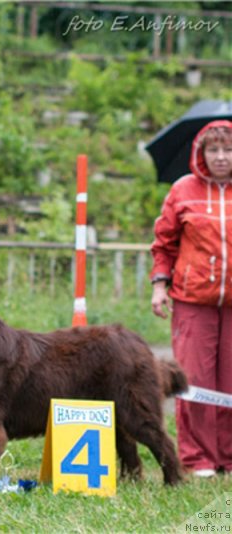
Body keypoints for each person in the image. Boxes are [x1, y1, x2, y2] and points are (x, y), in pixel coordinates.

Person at [150, 119, 232, 479]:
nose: (221, 156)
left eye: (228, 150)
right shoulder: (183, 190)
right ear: (200, 153)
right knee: (196, 380)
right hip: (192, 301)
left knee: (229, 381)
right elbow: (164, 243)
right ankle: (197, 458)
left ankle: (227, 457)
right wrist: (158, 285)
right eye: (213, 149)